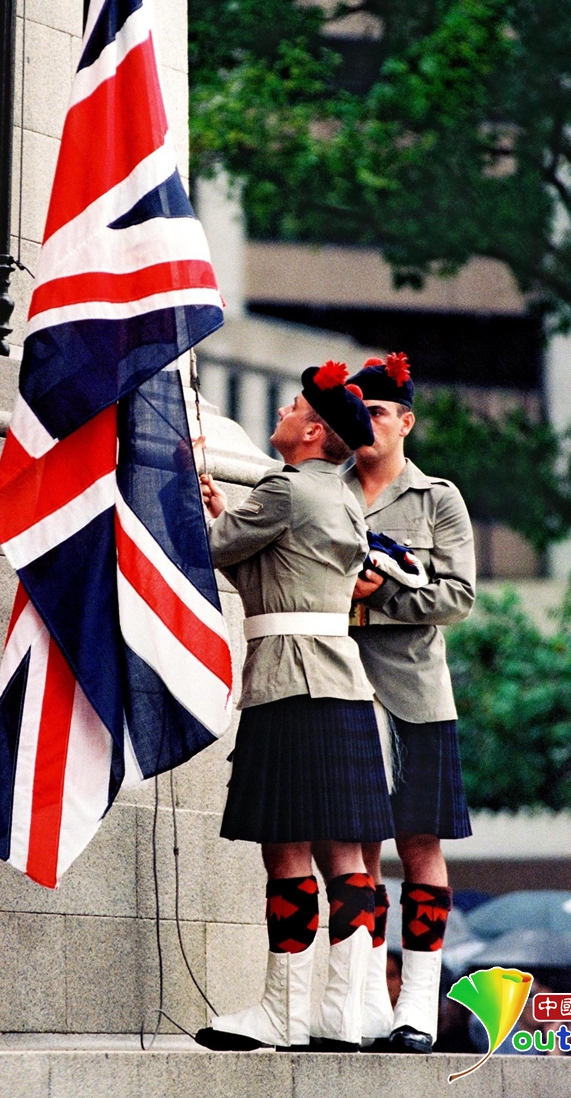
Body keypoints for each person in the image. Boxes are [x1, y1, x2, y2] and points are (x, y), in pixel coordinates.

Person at [194, 362, 395, 1053]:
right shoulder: (340, 497)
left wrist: (200, 513)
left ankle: (283, 1014)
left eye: (293, 405)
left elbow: (211, 552)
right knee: (345, 852)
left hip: (288, 682)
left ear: (313, 430)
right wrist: (227, 514)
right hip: (341, 685)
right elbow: (266, 571)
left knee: (285, 847)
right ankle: (339, 1012)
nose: (281, 409)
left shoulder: (282, 488)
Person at [342, 353, 476, 1054]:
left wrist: (381, 595)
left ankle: (418, 1002)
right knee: (355, 846)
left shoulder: (437, 499)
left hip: (415, 696)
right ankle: (366, 998)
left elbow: (457, 595)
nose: (368, 422)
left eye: (381, 411)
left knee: (417, 842)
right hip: (340, 688)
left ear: (407, 421)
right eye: (358, 411)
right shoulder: (325, 488)